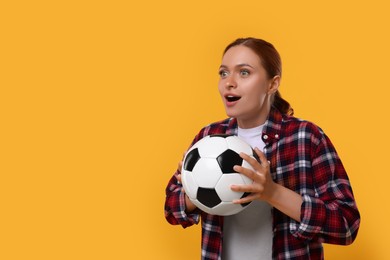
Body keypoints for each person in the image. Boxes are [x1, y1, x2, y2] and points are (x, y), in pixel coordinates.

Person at [164, 37, 360, 260]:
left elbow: (346, 225)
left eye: (244, 72)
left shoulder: (306, 137)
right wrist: (195, 185)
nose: (229, 82)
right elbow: (171, 208)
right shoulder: (208, 138)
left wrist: (272, 192)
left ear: (272, 83)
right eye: (223, 73)